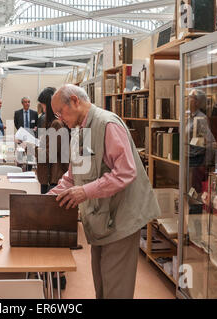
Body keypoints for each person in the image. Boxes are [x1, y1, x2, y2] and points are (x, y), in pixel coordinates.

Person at [48, 84, 161, 299]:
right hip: (100, 222)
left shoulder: (107, 123)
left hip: (120, 222)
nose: (60, 119)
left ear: (74, 100)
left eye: (60, 112)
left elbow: (126, 172)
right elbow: (72, 177)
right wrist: (42, 201)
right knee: (102, 286)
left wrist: (86, 192)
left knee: (115, 290)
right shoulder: (78, 132)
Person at [35, 87, 69, 194]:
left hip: (52, 177)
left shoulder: (56, 124)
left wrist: (32, 148)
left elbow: (49, 155)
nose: (42, 109)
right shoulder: (51, 123)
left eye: (43, 105)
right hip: (50, 176)